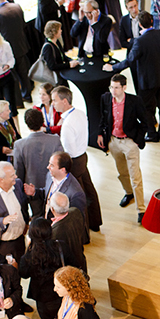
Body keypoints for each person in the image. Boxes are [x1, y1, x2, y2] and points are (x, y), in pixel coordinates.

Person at [106, 10, 160, 143]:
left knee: (146, 108)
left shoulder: (139, 41)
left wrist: (113, 67)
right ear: (152, 21)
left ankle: (152, 134)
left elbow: (129, 61)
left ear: (140, 25)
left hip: (148, 80)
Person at [52, 86, 103, 231]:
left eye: (55, 100)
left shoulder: (67, 125)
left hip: (74, 162)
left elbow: (70, 151)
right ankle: (95, 222)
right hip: (83, 157)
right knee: (89, 190)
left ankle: (84, 229)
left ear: (64, 101)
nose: (53, 103)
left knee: (78, 197)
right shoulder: (80, 113)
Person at [99, 75, 147, 221]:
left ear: (124, 87)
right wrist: (101, 133)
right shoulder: (106, 99)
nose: (113, 90)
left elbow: (145, 121)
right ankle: (128, 193)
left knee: (135, 177)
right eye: (111, 87)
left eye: (116, 87)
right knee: (122, 172)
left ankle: (141, 210)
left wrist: (136, 140)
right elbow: (103, 117)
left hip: (129, 142)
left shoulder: (134, 101)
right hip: (113, 142)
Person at [14, 110, 63, 218]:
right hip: (53, 187)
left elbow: (19, 172)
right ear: (42, 122)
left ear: (27, 125)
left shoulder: (19, 145)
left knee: (37, 217)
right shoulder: (55, 140)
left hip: (32, 188)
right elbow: (62, 163)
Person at [0, 0, 34, 102]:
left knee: (14, 77)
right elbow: (24, 25)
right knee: (24, 72)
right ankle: (28, 93)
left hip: (8, 50)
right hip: (22, 44)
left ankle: (20, 98)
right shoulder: (17, 7)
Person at [18, 218, 65, 319]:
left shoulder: (29, 256)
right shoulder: (60, 246)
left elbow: (24, 274)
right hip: (61, 290)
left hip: (42, 296)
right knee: (64, 318)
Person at [49, 192, 89, 266]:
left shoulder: (54, 233)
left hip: (67, 270)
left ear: (52, 209)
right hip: (80, 261)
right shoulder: (76, 212)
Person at [40, 21, 80, 89]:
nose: (61, 31)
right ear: (54, 32)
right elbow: (52, 66)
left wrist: (72, 61)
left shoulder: (56, 41)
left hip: (61, 74)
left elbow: (62, 56)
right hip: (55, 79)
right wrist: (69, 64)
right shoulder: (48, 47)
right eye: (59, 29)